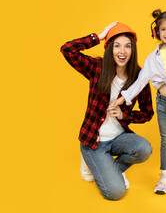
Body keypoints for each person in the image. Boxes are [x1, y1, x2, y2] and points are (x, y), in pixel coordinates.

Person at [108, 10, 166, 197]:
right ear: (156, 32)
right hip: (163, 105)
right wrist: (122, 98)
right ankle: (165, 177)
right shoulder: (153, 57)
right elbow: (140, 82)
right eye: (163, 29)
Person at [60, 22, 154, 201]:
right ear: (109, 48)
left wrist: (125, 115)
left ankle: (109, 170)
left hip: (119, 138)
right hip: (94, 140)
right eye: (117, 45)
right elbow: (67, 50)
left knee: (144, 149)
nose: (122, 51)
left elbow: (147, 113)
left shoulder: (138, 78)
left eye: (127, 46)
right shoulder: (97, 68)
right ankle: (91, 161)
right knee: (116, 193)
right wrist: (98, 36)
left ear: (133, 50)